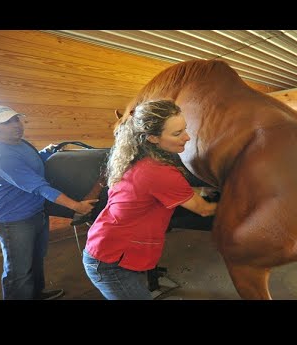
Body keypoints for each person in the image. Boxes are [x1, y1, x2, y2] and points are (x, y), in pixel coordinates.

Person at [82, 99, 218, 300]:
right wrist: (237, 202)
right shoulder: (159, 172)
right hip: (111, 261)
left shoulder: (137, 159)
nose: (187, 137)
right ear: (153, 138)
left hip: (107, 249)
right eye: (177, 133)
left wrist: (199, 189)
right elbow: (204, 210)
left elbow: (157, 191)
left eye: (184, 129)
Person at [0, 104, 98, 300]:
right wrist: (77, 206)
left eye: (16, 119)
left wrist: (47, 152)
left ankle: (36, 295)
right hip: (13, 221)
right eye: (6, 122)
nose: (16, 125)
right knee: (19, 271)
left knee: (35, 260)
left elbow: (35, 162)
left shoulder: (21, 144)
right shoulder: (2, 156)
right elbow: (39, 186)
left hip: (35, 213)